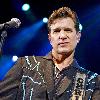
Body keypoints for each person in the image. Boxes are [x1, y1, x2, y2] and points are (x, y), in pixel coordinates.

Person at [0, 7, 100, 100]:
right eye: (56, 31)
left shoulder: (92, 80)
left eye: (68, 30)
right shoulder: (24, 65)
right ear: (50, 38)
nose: (62, 35)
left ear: (78, 36)